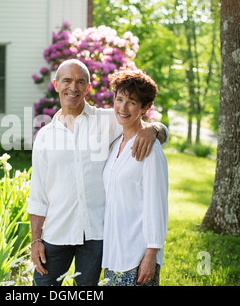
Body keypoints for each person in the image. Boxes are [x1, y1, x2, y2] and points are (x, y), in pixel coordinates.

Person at [27, 59, 169, 286]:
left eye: (80, 82)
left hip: (96, 236)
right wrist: (36, 240)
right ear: (56, 84)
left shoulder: (109, 120)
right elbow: (38, 195)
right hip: (56, 232)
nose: (73, 87)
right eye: (67, 80)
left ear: (88, 87)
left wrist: (154, 129)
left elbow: (141, 122)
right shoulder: (45, 136)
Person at [102, 69, 168, 286]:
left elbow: (156, 204)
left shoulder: (150, 149)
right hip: (113, 253)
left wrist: (151, 254)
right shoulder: (114, 144)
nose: (122, 107)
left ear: (145, 108)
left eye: (131, 102)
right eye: (119, 99)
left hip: (137, 255)